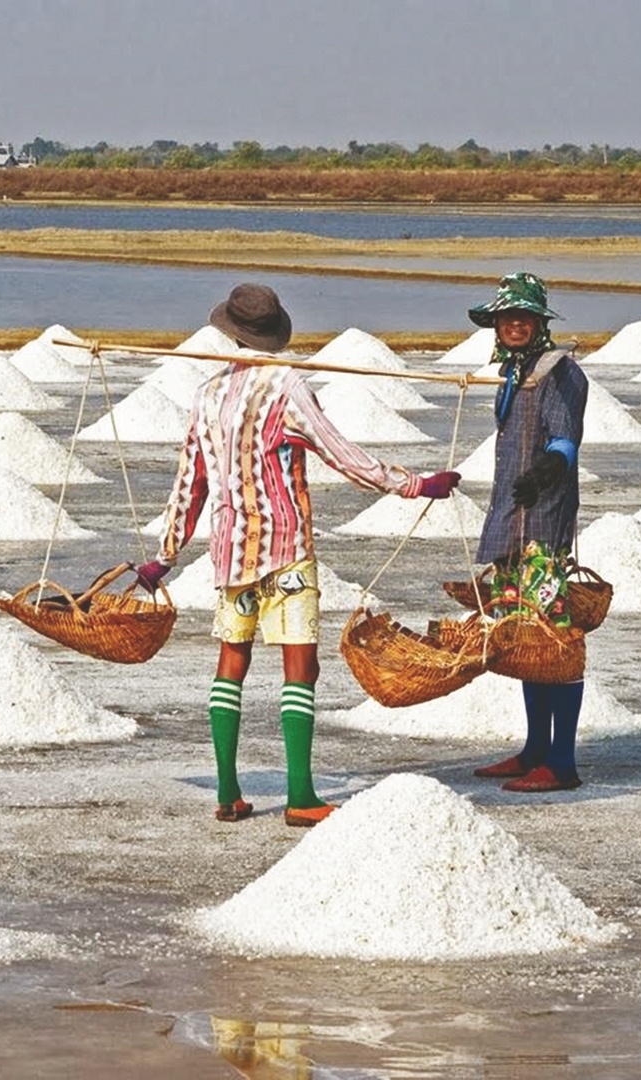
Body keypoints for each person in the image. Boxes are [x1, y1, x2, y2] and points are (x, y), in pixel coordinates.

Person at [135, 284, 461, 827]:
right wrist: (415, 484)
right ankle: (302, 795)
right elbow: (343, 455)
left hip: (230, 552)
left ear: (231, 331)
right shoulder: (287, 386)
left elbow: (190, 480)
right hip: (284, 552)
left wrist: (165, 554)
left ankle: (227, 791)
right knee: (299, 666)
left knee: (231, 663)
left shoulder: (207, 393)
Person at [466, 273, 589, 793]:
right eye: (506, 317)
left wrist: (546, 472)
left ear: (540, 323)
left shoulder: (558, 372)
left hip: (543, 522)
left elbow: (565, 440)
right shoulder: (515, 372)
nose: (514, 324)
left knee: (554, 640)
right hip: (512, 520)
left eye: (524, 316)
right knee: (525, 638)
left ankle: (561, 763)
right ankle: (535, 748)